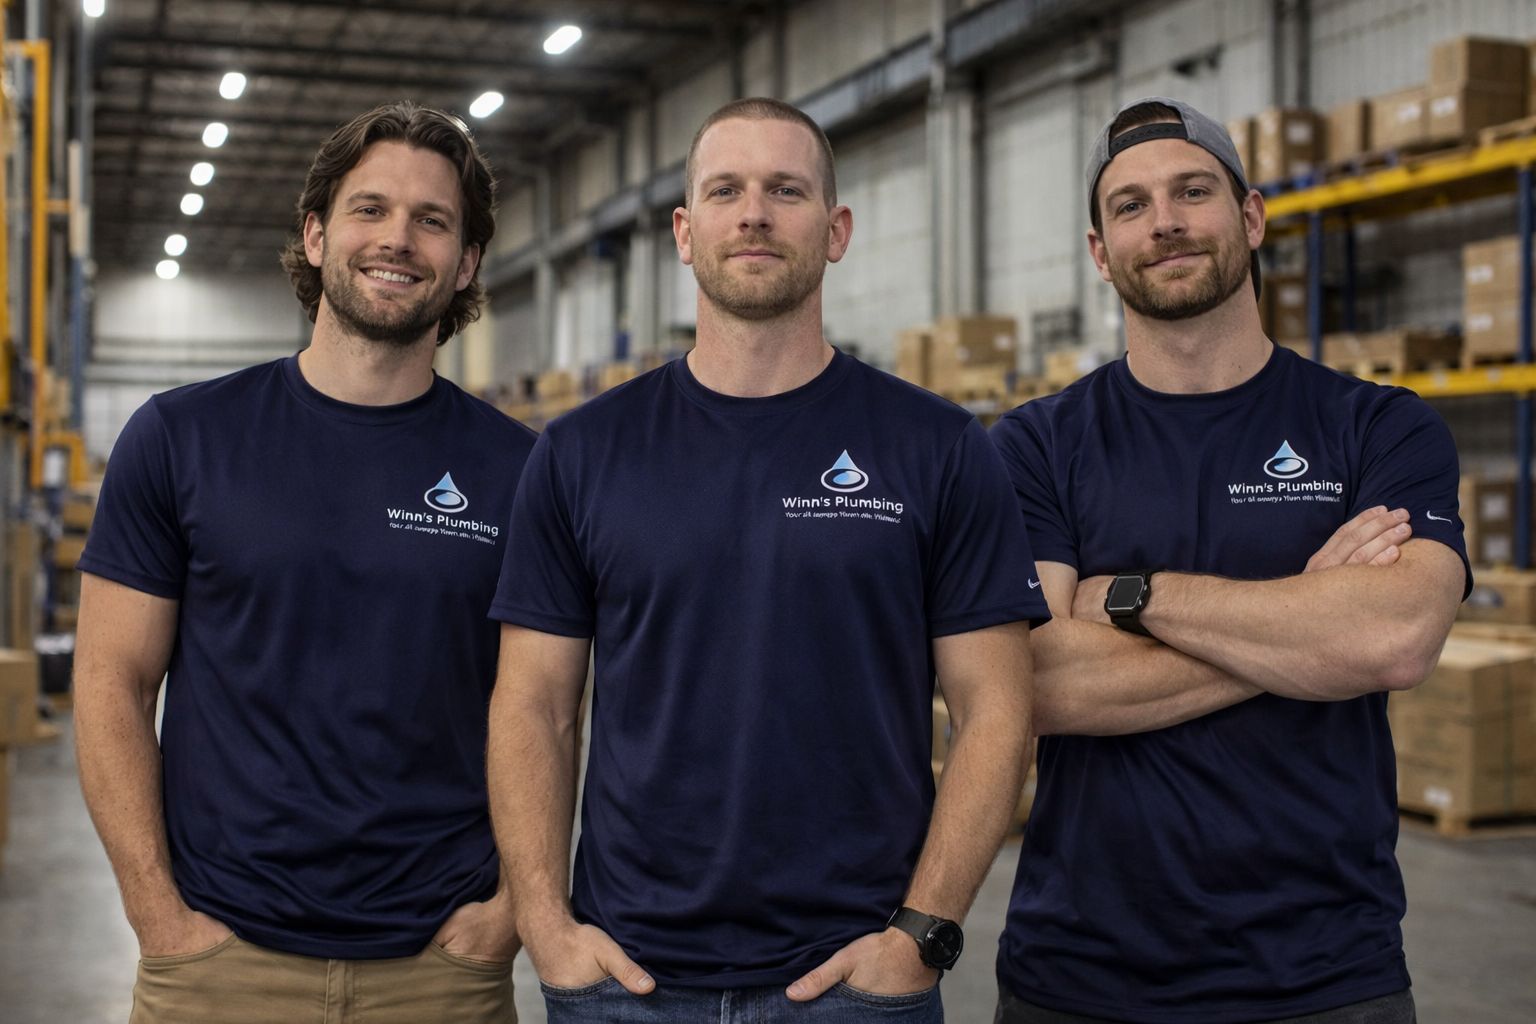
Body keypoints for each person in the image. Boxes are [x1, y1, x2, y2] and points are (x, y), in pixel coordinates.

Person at [485, 97, 1049, 1023]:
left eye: (785, 190)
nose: (753, 213)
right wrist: (546, 925)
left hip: (857, 984)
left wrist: (923, 935)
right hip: (628, 979)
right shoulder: (584, 452)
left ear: (835, 231)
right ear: (684, 231)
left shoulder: (938, 447)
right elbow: (534, 706)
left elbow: (997, 709)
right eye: (726, 190)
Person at [988, 97, 1469, 1024]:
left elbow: (1396, 640)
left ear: (1250, 217)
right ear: (1100, 252)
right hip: (1080, 973)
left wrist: (1131, 597)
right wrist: (1309, 621)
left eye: (1192, 191)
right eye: (1129, 206)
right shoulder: (1035, 447)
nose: (1163, 222)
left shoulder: (1378, 426)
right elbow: (1032, 683)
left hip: (1327, 973)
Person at [73, 101, 532, 1024]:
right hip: (218, 964)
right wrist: (157, 914)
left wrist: (513, 917)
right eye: (370, 210)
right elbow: (110, 679)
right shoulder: (181, 437)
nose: (397, 239)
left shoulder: (521, 472)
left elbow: (552, 710)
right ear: (317, 235)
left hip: (440, 972)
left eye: (432, 220)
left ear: (467, 263)